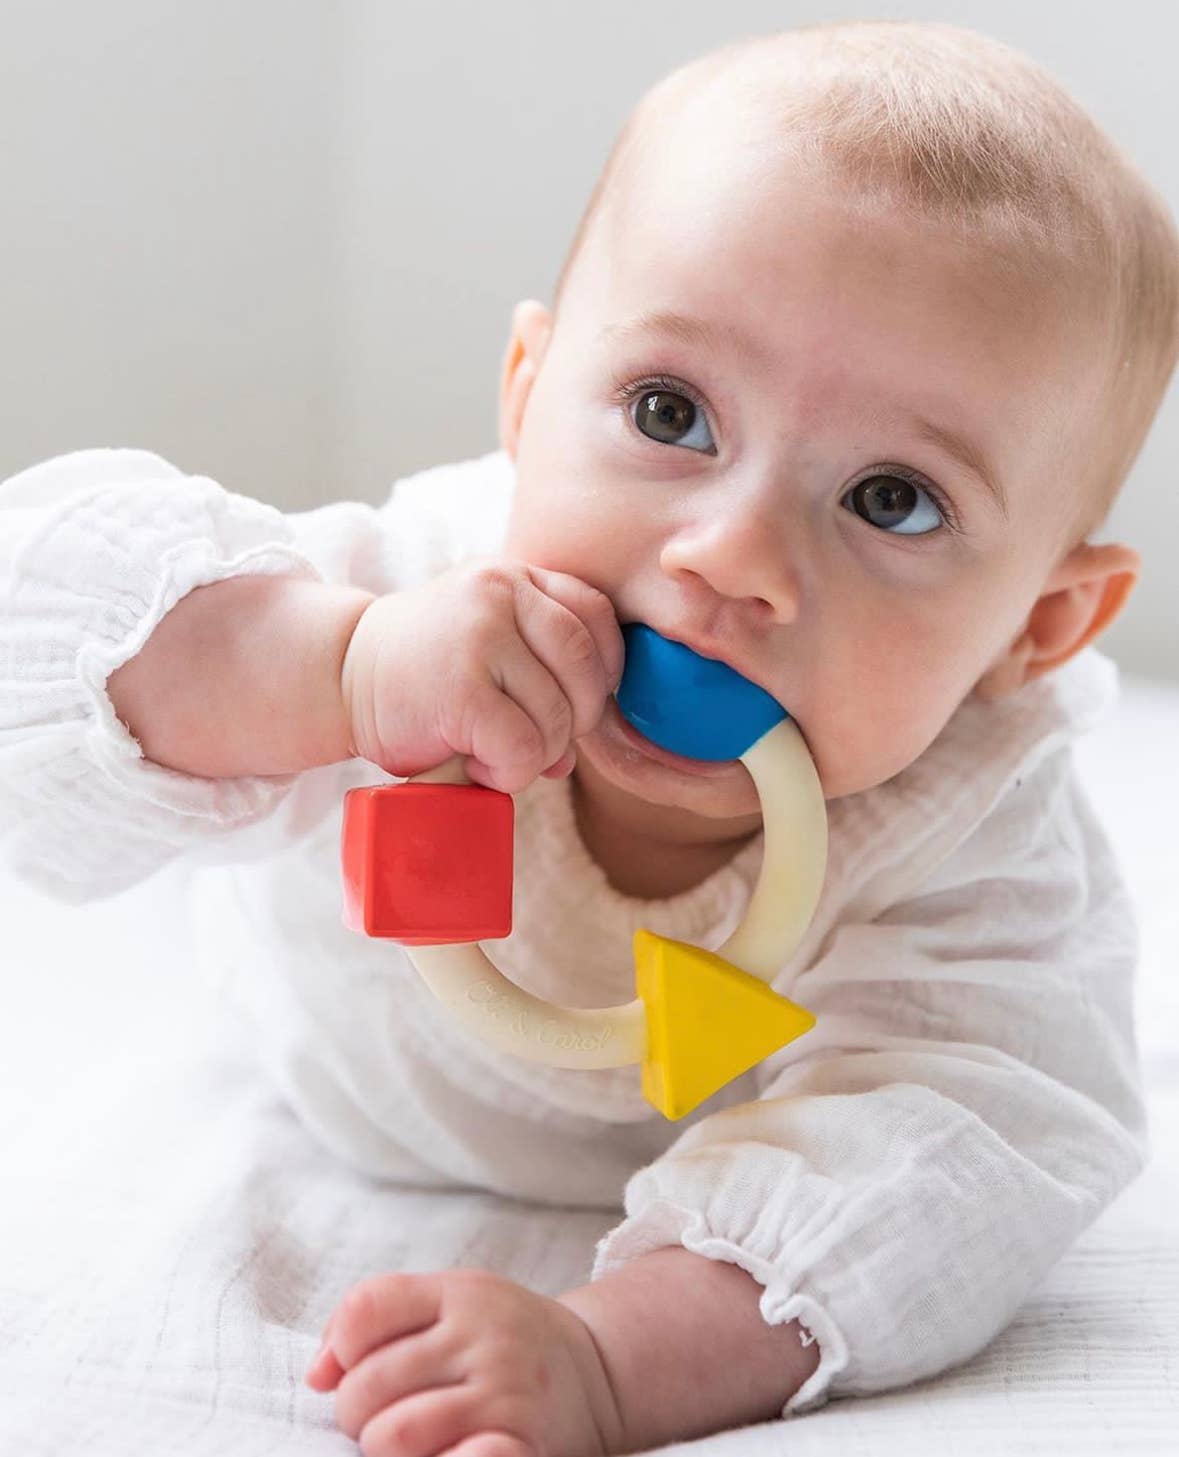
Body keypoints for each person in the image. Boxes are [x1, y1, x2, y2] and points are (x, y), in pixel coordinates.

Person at [2, 18, 1177, 1456]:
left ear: (1038, 633)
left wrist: (611, 1358)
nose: (732, 554)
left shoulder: (974, 833)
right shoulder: (414, 590)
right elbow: (46, 626)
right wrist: (337, 668)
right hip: (320, 1053)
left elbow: (968, 1147)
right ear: (526, 399)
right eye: (670, 411)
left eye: (892, 500)